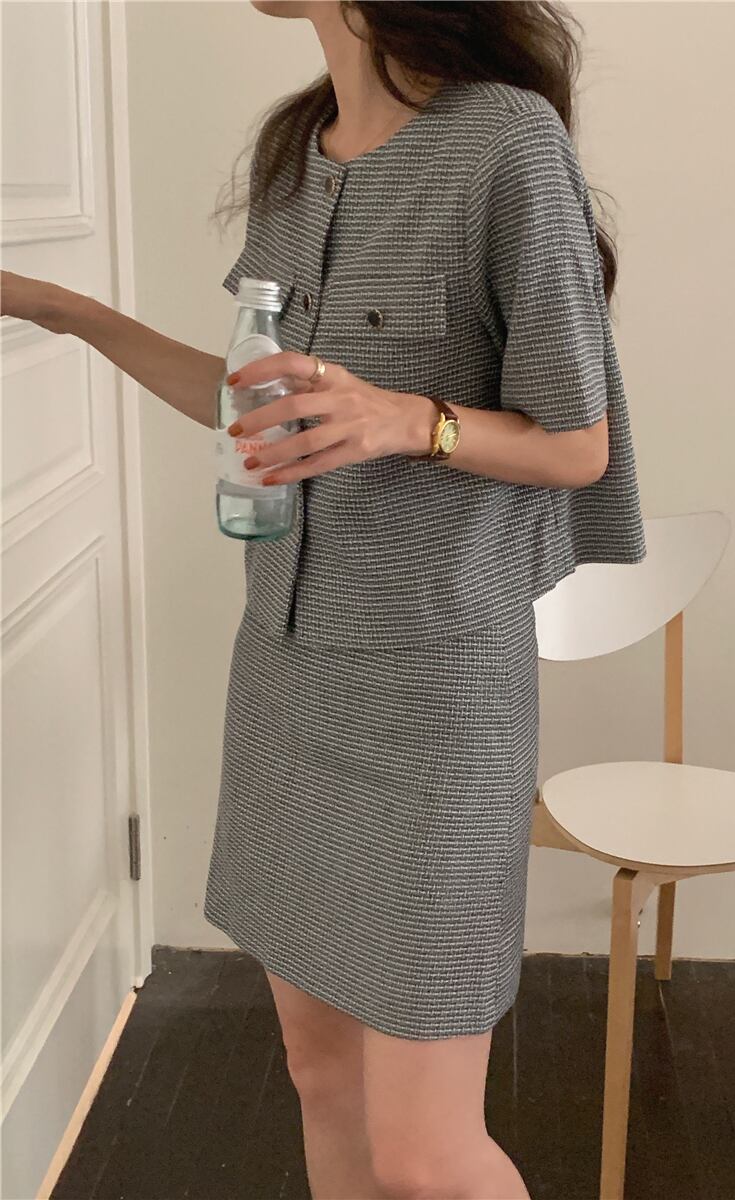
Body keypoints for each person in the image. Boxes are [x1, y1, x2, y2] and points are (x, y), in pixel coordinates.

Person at [0, 2, 645, 1196]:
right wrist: (61, 310)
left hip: (437, 691)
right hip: (288, 674)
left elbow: (578, 446)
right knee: (319, 1072)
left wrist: (410, 420)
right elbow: (255, 406)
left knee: (427, 1155)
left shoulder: (506, 143)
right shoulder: (291, 156)